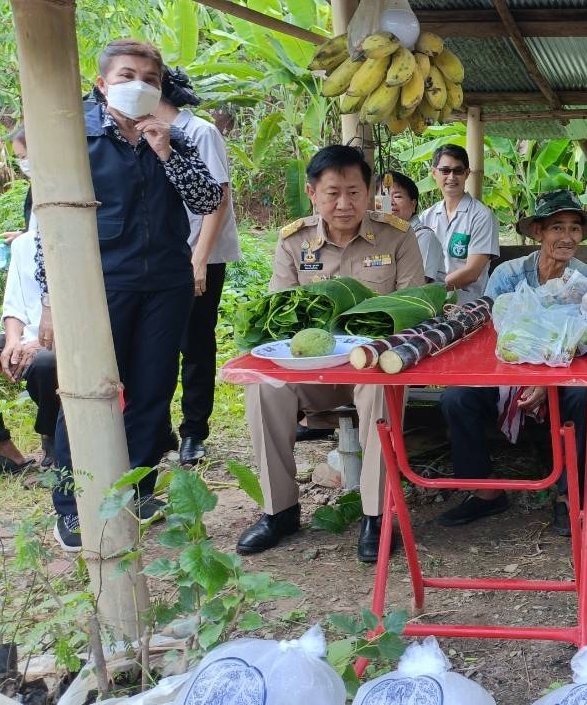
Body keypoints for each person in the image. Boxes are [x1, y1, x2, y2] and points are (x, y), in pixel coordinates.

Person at [41, 39, 223, 553]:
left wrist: (167, 151)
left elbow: (208, 198)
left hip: (166, 283)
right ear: (102, 83)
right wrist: (52, 299)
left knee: (151, 389)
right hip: (100, 284)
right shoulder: (76, 136)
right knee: (84, 393)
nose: (138, 84)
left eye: (149, 76)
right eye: (126, 75)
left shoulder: (173, 137)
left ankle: (138, 492)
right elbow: (45, 224)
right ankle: (72, 507)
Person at [236, 145, 425, 564]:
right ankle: (279, 510)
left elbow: (413, 307)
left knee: (376, 391)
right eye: (333, 193)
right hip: (312, 368)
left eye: (354, 192)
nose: (344, 204)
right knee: (265, 389)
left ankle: (377, 515)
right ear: (312, 193)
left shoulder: (397, 235)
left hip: (374, 366)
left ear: (370, 190)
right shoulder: (294, 241)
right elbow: (279, 316)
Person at [435, 190, 587, 537]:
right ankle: (485, 490)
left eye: (575, 229)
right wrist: (524, 376)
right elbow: (496, 337)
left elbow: (585, 342)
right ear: (538, 233)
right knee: (456, 397)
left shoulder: (585, 279)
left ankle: (567, 495)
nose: (567, 237)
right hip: (507, 373)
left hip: (563, 376)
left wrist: (547, 382)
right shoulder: (509, 274)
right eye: (557, 228)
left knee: (582, 398)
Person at [156, 67, 241, 466]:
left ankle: (194, 432)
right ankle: (157, 429)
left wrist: (199, 259)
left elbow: (218, 199)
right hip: (159, 257)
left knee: (195, 344)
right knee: (156, 347)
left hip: (198, 255)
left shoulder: (200, 132)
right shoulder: (139, 135)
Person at [0, 230, 56, 475]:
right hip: (26, 335)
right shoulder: (24, 244)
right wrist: (13, 341)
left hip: (69, 337)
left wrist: (38, 344)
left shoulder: (85, 237)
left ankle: (54, 440)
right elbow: (14, 305)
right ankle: (2, 447)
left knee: (46, 362)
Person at [418, 145, 499, 303]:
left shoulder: (481, 216)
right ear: (434, 173)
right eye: (445, 170)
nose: (451, 177)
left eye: (458, 171)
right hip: (430, 298)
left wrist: (430, 291)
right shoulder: (427, 216)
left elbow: (472, 272)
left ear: (467, 174)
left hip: (468, 303)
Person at [386, 170, 446, 284]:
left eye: (397, 196)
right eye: (384, 195)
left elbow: (416, 285)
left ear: (413, 204)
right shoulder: (377, 236)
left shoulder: (424, 237)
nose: (390, 202)